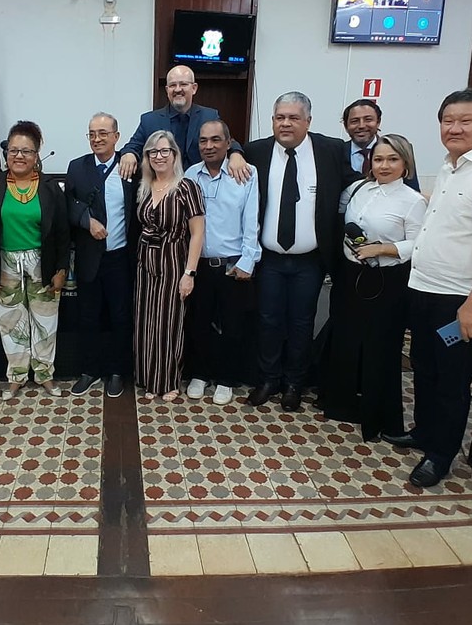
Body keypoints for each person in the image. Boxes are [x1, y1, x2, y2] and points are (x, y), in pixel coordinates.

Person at [382, 88, 472, 488]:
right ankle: (425, 432)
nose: (455, 128)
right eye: (448, 121)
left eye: (466, 121)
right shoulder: (450, 167)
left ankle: (441, 455)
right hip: (423, 289)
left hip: (459, 301)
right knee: (424, 368)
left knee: (452, 379)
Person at [243, 92, 358, 412]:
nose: (286, 123)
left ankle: (294, 383)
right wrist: (236, 154)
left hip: (310, 260)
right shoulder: (256, 151)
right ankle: (268, 379)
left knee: (302, 322)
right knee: (267, 320)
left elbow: (356, 184)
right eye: (280, 117)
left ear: (308, 121)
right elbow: (232, 149)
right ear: (272, 121)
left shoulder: (330, 150)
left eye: (293, 117)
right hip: (269, 259)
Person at [320, 134, 426, 440]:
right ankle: (341, 405)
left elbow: (419, 243)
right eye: (378, 159)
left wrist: (383, 249)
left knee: (380, 348)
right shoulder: (360, 190)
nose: (384, 166)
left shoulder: (413, 201)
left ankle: (377, 416)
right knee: (346, 340)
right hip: (351, 277)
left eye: (392, 159)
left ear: (405, 163)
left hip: (386, 282)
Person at [0, 121, 70, 398]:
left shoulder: (51, 188)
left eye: (26, 151)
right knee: (11, 323)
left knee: (45, 322)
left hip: (43, 263)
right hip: (5, 264)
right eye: (13, 150)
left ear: (36, 155)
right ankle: (16, 376)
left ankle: (44, 375)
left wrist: (61, 268)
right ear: (6, 153)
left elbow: (63, 232)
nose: (19, 156)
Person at [184, 120, 260, 406]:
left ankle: (227, 379)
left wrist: (248, 260)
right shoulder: (191, 175)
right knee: (199, 323)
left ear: (229, 143)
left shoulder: (246, 173)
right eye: (203, 141)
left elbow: (251, 221)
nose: (209, 146)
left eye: (215, 140)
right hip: (200, 264)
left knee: (233, 326)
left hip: (232, 264)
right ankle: (200, 374)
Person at [64, 112, 139, 400]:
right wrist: (86, 221)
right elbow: (68, 203)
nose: (97, 139)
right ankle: (89, 370)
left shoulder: (130, 167)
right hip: (89, 258)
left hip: (121, 258)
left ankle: (117, 371)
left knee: (120, 317)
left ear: (116, 137)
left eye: (103, 133)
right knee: (88, 317)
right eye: (92, 133)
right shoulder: (77, 167)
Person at [133, 130, 205, 401]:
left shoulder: (187, 187)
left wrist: (189, 273)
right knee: (146, 321)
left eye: (165, 151)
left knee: (168, 323)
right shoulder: (145, 186)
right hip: (145, 264)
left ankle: (169, 380)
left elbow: (197, 233)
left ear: (174, 155)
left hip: (173, 262)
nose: (159, 156)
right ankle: (149, 379)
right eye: (153, 152)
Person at [118, 64, 250, 181]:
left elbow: (227, 142)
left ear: (194, 88)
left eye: (183, 84)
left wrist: (236, 154)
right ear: (167, 90)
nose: (177, 89)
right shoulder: (150, 120)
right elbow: (132, 146)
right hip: (163, 189)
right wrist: (129, 154)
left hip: (200, 188)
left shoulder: (209, 116)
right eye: (172, 85)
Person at [341, 99, 420, 192]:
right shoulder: (337, 152)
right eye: (355, 121)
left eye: (368, 120)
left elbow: (412, 190)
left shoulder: (398, 148)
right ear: (346, 126)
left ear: (378, 122)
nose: (361, 125)